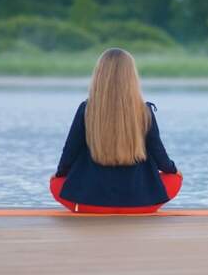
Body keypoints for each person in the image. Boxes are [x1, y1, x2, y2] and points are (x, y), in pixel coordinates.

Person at [49, 48, 182, 214]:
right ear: (132, 78)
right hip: (141, 204)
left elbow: (69, 153)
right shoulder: (144, 112)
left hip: (89, 203)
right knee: (175, 178)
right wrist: (174, 170)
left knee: (56, 183)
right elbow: (160, 156)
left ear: (99, 76)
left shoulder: (86, 109)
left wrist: (59, 174)